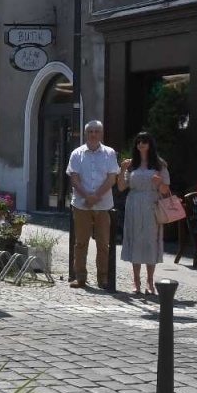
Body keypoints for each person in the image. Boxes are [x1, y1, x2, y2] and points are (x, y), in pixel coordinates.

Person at [67, 120, 120, 290]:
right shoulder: (77, 153)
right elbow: (74, 178)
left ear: (101, 134)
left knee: (103, 243)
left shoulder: (109, 153)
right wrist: (87, 196)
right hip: (81, 205)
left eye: (97, 131)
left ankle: (103, 278)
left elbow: (112, 178)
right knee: (81, 242)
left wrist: (96, 196)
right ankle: (80, 277)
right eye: (90, 131)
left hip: (103, 204)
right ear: (85, 134)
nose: (93, 134)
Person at [117, 130, 171, 295]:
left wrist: (159, 182)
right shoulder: (131, 164)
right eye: (139, 141)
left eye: (144, 141)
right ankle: (136, 280)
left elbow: (165, 189)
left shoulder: (159, 164)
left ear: (150, 144)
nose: (141, 144)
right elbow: (121, 187)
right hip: (133, 203)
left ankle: (150, 280)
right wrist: (121, 170)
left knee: (150, 240)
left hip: (151, 203)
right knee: (135, 239)